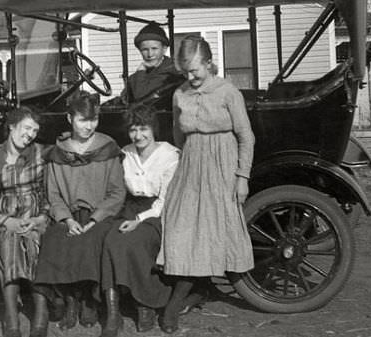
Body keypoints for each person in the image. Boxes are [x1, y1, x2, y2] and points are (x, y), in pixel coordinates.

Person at [159, 35, 255, 333]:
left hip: (223, 166)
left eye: (195, 71)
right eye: (186, 73)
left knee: (211, 231)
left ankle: (174, 307)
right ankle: (196, 290)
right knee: (181, 230)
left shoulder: (228, 92)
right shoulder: (180, 94)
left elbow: (246, 136)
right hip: (192, 165)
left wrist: (242, 177)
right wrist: (191, 159)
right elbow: (178, 134)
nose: (191, 78)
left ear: (210, 63)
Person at [34, 91, 126, 332]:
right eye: (83, 120)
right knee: (56, 239)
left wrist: (96, 219)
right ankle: (70, 301)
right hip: (69, 214)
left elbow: (117, 192)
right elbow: (52, 193)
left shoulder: (107, 148)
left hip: (101, 214)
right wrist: (65, 218)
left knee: (94, 240)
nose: (89, 126)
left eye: (93, 119)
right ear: (69, 118)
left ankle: (91, 302)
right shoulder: (58, 152)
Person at [98, 104, 179, 337]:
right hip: (128, 208)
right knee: (110, 240)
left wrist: (140, 220)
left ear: (153, 129)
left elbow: (165, 200)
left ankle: (147, 305)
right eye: (133, 130)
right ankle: (113, 312)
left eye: (143, 129)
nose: (138, 135)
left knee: (136, 241)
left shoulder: (170, 156)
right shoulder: (126, 153)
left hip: (157, 212)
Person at [0, 107, 51, 337]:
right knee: (9, 238)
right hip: (1, 217)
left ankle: (40, 312)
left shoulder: (41, 153)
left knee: (33, 237)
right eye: (26, 128)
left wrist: (41, 217)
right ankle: (11, 316)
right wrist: (6, 221)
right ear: (12, 126)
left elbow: (52, 192)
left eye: (35, 131)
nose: (30, 134)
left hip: (36, 214)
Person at [121, 22, 184, 105]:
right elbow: (125, 97)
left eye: (154, 48)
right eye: (145, 50)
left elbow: (140, 95)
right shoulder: (138, 75)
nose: (150, 54)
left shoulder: (170, 71)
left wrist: (141, 70)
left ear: (164, 49)